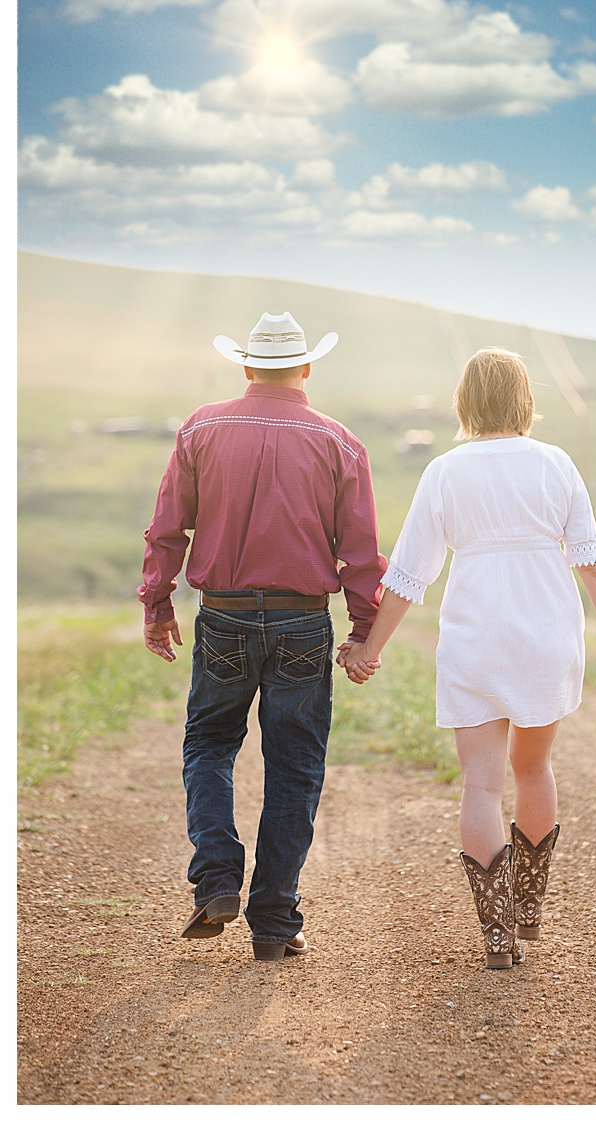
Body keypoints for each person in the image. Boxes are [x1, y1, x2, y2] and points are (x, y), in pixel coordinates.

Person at [342, 347, 596, 970]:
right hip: (547, 636)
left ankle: (496, 936)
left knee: (481, 783)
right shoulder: (556, 464)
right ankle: (529, 910)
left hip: (477, 638)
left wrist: (370, 647)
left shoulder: (446, 472)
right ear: (525, 400)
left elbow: (407, 575)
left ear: (465, 402)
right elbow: (592, 561)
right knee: (534, 769)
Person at [141, 311, 385, 961]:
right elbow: (360, 553)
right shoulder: (340, 443)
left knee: (210, 745)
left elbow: (168, 528)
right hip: (303, 620)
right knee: (296, 766)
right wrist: (365, 631)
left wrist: (157, 602)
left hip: (221, 615)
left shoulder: (201, 428)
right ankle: (274, 923)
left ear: (247, 367)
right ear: (306, 369)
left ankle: (217, 877)